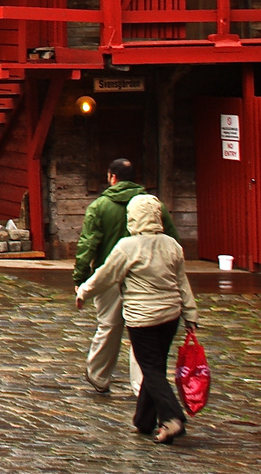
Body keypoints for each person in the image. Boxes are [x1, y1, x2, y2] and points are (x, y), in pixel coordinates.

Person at [76, 194, 198, 444]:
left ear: (133, 218)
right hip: (170, 316)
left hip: (142, 318)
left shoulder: (127, 247)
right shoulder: (172, 245)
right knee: (155, 366)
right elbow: (182, 283)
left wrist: (83, 291)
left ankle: (172, 419)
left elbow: (105, 276)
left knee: (151, 370)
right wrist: (190, 314)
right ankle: (144, 420)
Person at [74, 158, 179, 394]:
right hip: (145, 276)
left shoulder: (99, 206)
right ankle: (142, 385)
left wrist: (80, 277)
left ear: (112, 177)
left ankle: (98, 375)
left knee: (109, 326)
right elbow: (172, 239)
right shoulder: (155, 206)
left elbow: (88, 244)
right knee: (141, 329)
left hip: (109, 275)